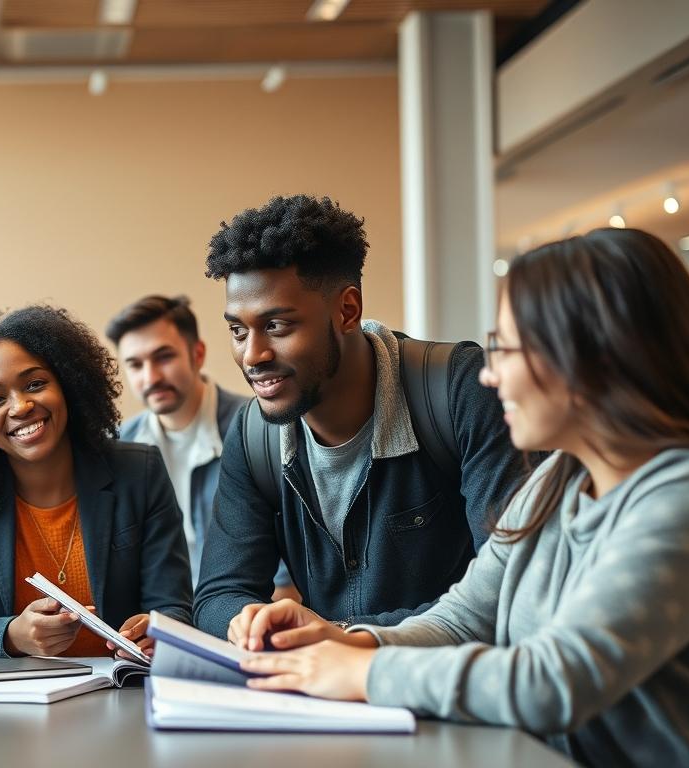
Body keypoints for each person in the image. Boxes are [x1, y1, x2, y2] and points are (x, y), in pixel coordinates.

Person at [231, 229, 689, 768]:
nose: (489, 372)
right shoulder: (556, 485)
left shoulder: (686, 499)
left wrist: (362, 674)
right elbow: (463, 621)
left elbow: (552, 681)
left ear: (594, 355)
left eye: (506, 348)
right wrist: (346, 642)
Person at [194, 195, 529, 638]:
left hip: (446, 695)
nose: (252, 355)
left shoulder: (459, 392)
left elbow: (511, 586)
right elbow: (218, 596)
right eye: (238, 331)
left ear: (347, 311)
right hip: (324, 692)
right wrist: (258, 628)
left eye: (277, 326)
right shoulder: (254, 432)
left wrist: (341, 636)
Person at [0, 305, 193, 661]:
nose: (20, 406)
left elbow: (173, 607)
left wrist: (157, 630)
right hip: (7, 705)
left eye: (35, 384)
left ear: (68, 384)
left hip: (118, 694)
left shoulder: (140, 472)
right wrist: (11, 635)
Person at [107, 294, 296, 597]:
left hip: (248, 617)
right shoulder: (118, 449)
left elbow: (287, 577)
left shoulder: (260, 431)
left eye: (163, 357)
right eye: (135, 365)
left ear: (197, 354)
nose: (151, 377)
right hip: (161, 623)